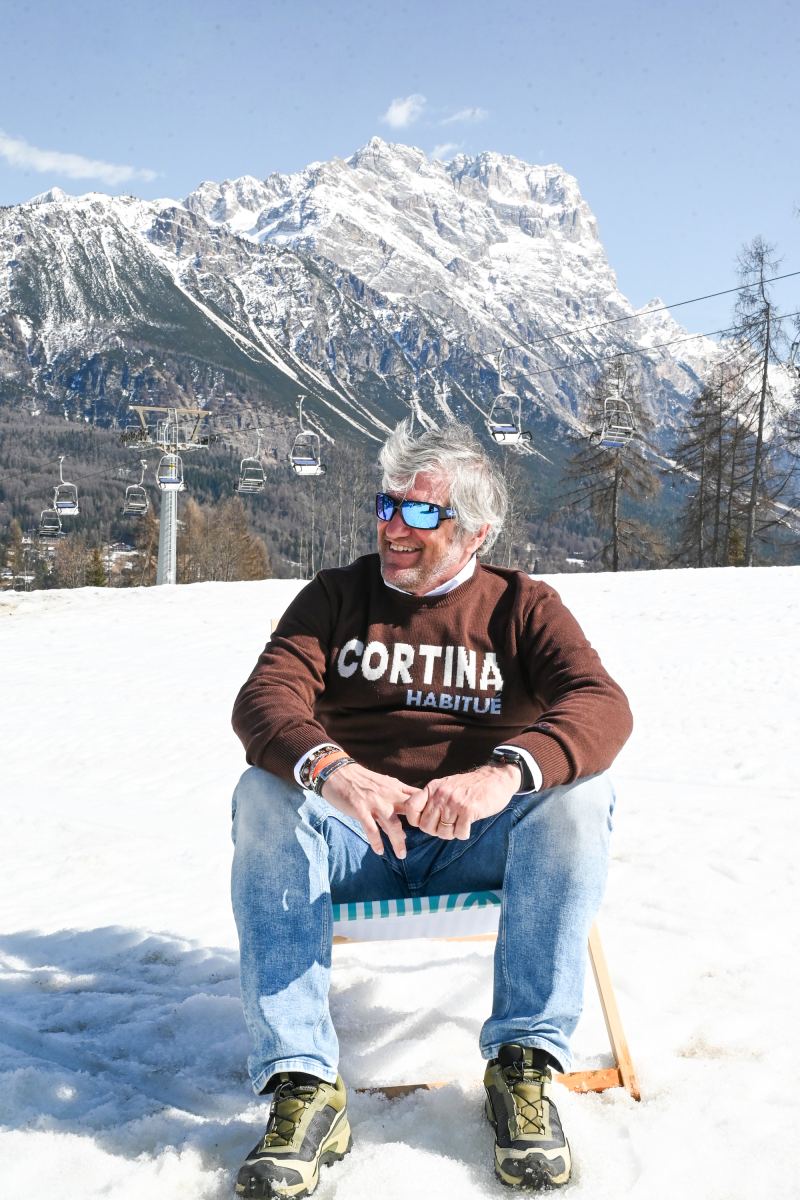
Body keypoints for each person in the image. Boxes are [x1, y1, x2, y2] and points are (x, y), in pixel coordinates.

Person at [230, 419, 633, 1196]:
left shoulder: (522, 607)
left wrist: (505, 774)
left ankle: (522, 1065)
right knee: (264, 793)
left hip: (476, 841)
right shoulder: (336, 597)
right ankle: (303, 1085)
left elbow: (600, 705)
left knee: (579, 797)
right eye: (387, 506)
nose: (393, 528)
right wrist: (335, 771)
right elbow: (265, 699)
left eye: (421, 513)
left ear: (477, 531)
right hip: (356, 840)